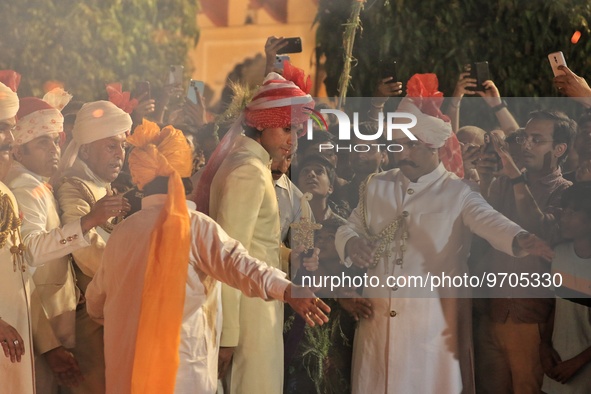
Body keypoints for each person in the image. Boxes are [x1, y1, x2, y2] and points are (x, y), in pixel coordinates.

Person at [335, 74, 554, 394]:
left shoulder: (457, 190)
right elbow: (350, 226)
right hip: (378, 325)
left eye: (410, 145)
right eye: (398, 145)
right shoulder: (377, 185)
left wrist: (520, 238)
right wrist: (352, 243)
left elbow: (488, 220)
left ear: (431, 146)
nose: (401, 154)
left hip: (429, 331)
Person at [85, 120, 329, 394]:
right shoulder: (195, 226)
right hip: (183, 374)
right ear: (187, 179)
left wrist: (128, 321)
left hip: (128, 375)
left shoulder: (122, 232)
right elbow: (240, 264)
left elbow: (95, 302)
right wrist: (286, 289)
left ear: (141, 183)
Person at [197, 70, 314, 394]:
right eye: (287, 128)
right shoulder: (248, 171)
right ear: (263, 123)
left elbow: (256, 245)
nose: (293, 140)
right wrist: (229, 337)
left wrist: (293, 257)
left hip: (260, 303)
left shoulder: (251, 164)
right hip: (250, 315)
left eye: (296, 131)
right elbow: (229, 257)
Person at [474, 110, 575, 394]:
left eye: (537, 140)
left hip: (531, 320)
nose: (526, 145)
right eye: (526, 138)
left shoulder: (566, 192)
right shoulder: (505, 182)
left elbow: (537, 229)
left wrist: (515, 177)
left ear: (559, 149)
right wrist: (483, 178)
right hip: (492, 312)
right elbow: (480, 230)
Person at [53, 100, 132, 394]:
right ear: (85, 150)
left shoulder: (103, 186)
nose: (120, 155)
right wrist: (131, 274)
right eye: (111, 147)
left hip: (112, 308)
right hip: (91, 319)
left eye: (122, 147)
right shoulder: (74, 185)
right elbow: (83, 249)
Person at [539, 182, 591, 393]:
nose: (564, 218)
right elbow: (558, 306)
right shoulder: (559, 255)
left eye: (572, 213)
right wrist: (544, 345)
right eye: (564, 211)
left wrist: (578, 362)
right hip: (558, 363)